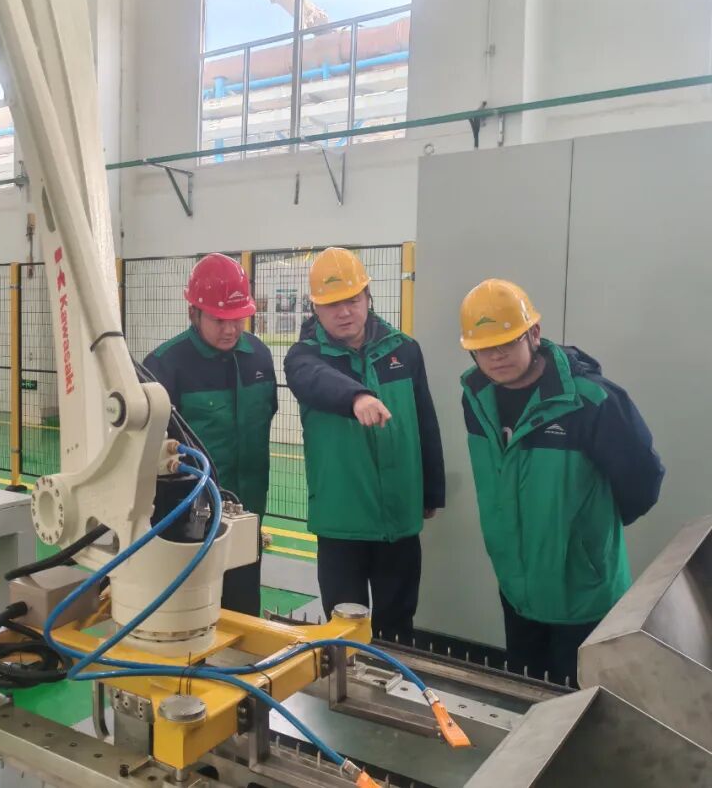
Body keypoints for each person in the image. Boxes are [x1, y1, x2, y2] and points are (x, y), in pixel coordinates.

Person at [459, 278, 665, 685]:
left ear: (533, 334)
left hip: (581, 591)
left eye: (507, 342)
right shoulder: (476, 395)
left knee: (578, 702)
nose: (496, 356)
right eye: (483, 347)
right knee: (525, 692)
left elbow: (644, 482)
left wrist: (585, 540)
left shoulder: (591, 401)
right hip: (516, 583)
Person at [284, 247, 445, 639]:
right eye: (332, 304)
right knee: (343, 630)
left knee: (398, 623)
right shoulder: (304, 357)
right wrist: (357, 397)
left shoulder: (404, 350)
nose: (344, 312)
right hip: (342, 522)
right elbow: (314, 380)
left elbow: (425, 421)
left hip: (399, 518)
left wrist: (431, 492)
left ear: (368, 297)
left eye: (352, 300)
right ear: (315, 309)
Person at [143, 253, 277, 616]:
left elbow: (267, 414)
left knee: (243, 614)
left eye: (238, 318)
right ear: (194, 312)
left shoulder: (259, 357)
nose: (230, 329)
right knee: (187, 616)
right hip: (185, 523)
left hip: (247, 515)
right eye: (219, 319)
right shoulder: (164, 366)